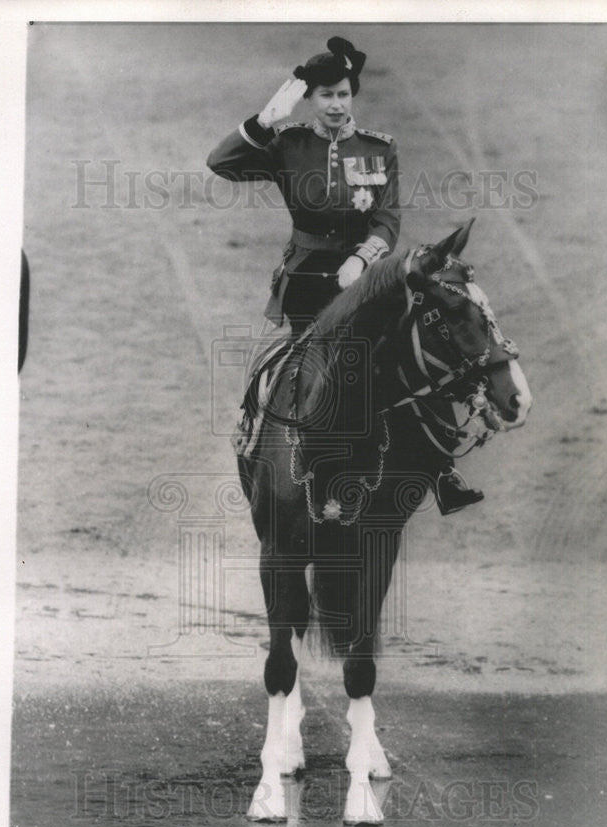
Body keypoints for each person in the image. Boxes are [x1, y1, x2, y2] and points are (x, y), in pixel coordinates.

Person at [207, 36, 483, 514]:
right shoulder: (287, 143)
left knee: (408, 357)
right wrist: (263, 121)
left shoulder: (379, 149)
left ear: (352, 95)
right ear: (310, 99)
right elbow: (222, 163)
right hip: (308, 280)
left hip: (365, 281)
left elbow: (388, 218)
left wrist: (362, 258)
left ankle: (442, 468)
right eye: (325, 95)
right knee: (305, 371)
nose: (335, 104)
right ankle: (262, 441)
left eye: (343, 94)